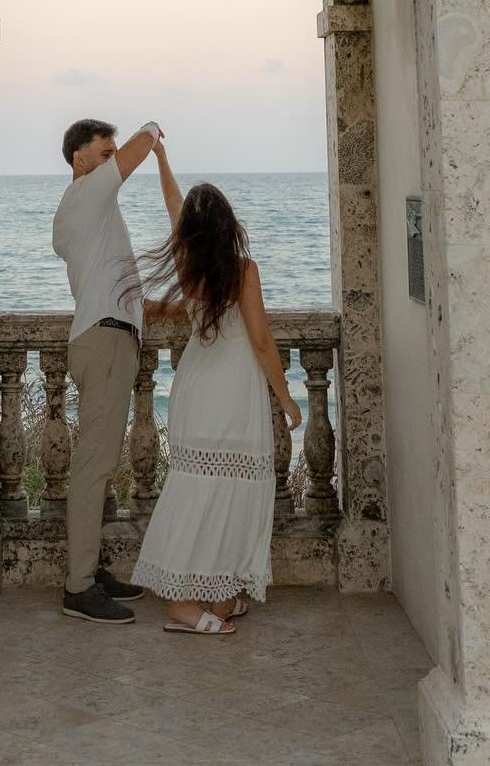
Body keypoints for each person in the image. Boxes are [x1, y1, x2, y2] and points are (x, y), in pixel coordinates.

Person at [130, 141, 302, 635]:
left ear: (191, 231)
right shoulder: (243, 271)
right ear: (229, 225)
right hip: (231, 396)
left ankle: (221, 595)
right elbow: (263, 340)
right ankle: (185, 604)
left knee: (207, 490)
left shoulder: (191, 266)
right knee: (226, 492)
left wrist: (163, 163)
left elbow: (173, 207)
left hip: (196, 391)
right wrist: (286, 396)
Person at [53, 115, 164, 624]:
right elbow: (139, 149)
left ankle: (89, 569)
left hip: (106, 338)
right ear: (80, 158)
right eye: (104, 152)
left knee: (99, 464)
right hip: (104, 341)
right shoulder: (86, 195)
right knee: (94, 466)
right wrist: (154, 130)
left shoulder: (85, 210)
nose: (111, 159)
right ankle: (78, 586)